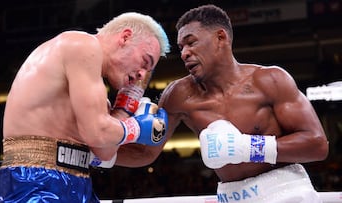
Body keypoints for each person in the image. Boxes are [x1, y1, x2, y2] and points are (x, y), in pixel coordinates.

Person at [113, 5, 329, 203]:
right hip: (230, 197)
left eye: (191, 42)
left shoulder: (270, 80)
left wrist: (248, 148)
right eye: (181, 47)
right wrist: (97, 155)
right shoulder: (179, 94)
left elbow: (317, 145)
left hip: (285, 192)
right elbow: (145, 153)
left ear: (220, 37)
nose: (184, 53)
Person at [0, 12, 170, 203]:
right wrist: (137, 128)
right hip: (34, 179)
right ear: (125, 37)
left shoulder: (99, 97)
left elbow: (105, 150)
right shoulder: (81, 45)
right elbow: (97, 133)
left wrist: (125, 105)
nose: (142, 75)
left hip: (77, 182)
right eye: (145, 62)